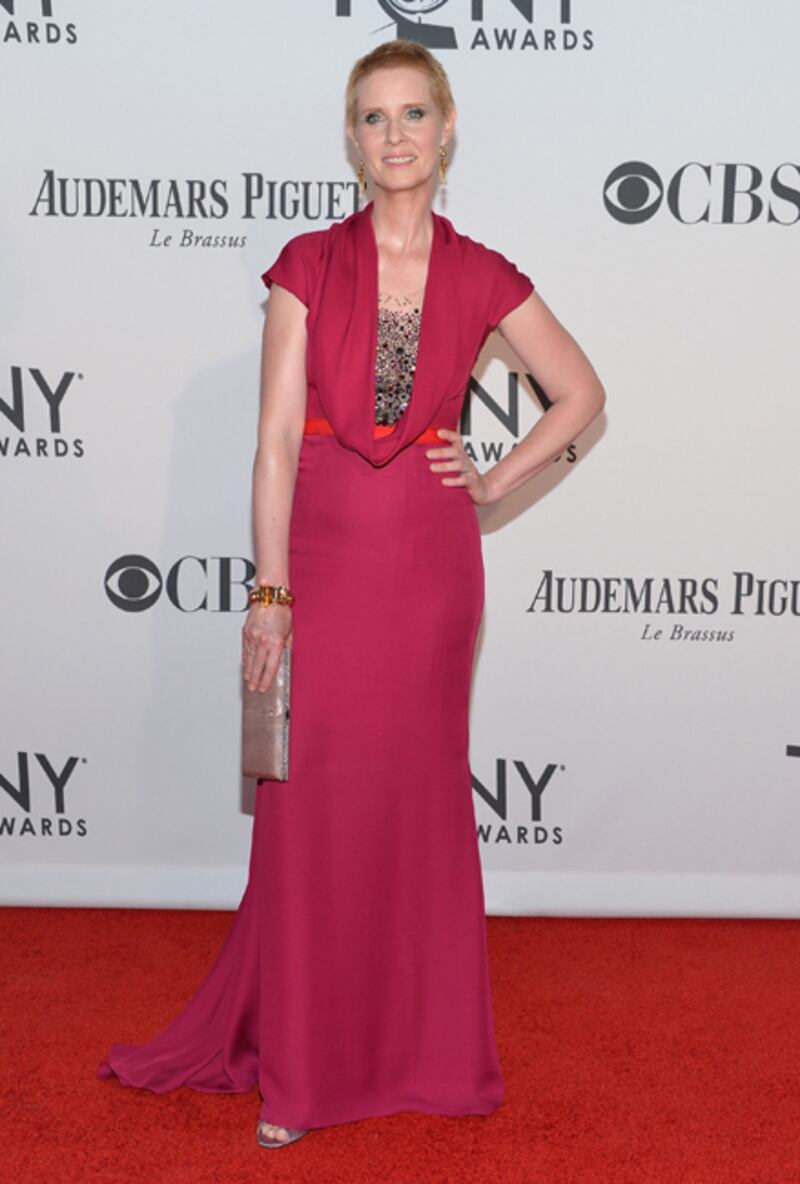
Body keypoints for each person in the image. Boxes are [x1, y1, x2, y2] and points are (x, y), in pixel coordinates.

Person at [96, 38, 605, 1148]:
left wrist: (494, 475)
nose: (395, 136)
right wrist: (269, 592)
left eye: (413, 114)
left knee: (416, 803)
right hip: (320, 559)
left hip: (428, 570)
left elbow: (579, 393)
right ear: (351, 138)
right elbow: (276, 436)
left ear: (448, 126)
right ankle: (307, 1066)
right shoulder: (307, 265)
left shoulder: (480, 272)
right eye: (373, 118)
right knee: (313, 806)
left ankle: (423, 1053)